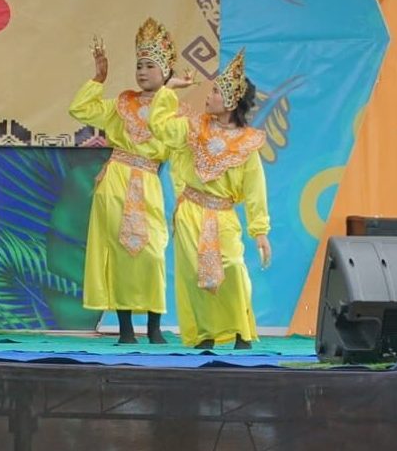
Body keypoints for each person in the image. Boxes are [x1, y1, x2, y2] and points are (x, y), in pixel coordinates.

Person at [67, 18, 181, 344]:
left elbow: (178, 152)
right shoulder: (122, 103)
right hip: (116, 180)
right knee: (119, 254)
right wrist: (98, 79)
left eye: (150, 66)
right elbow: (80, 109)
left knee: (153, 252)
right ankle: (127, 330)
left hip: (147, 180)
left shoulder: (173, 109)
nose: (143, 72)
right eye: (139, 65)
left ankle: (156, 329)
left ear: (166, 72)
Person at [149, 49, 272, 349]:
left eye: (216, 91)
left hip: (223, 214)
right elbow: (160, 127)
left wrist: (260, 231)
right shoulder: (193, 127)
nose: (209, 95)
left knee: (231, 267)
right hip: (190, 210)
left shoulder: (246, 142)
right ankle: (205, 334)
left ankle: (241, 331)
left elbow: (255, 188)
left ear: (230, 101)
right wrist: (167, 91)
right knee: (195, 276)